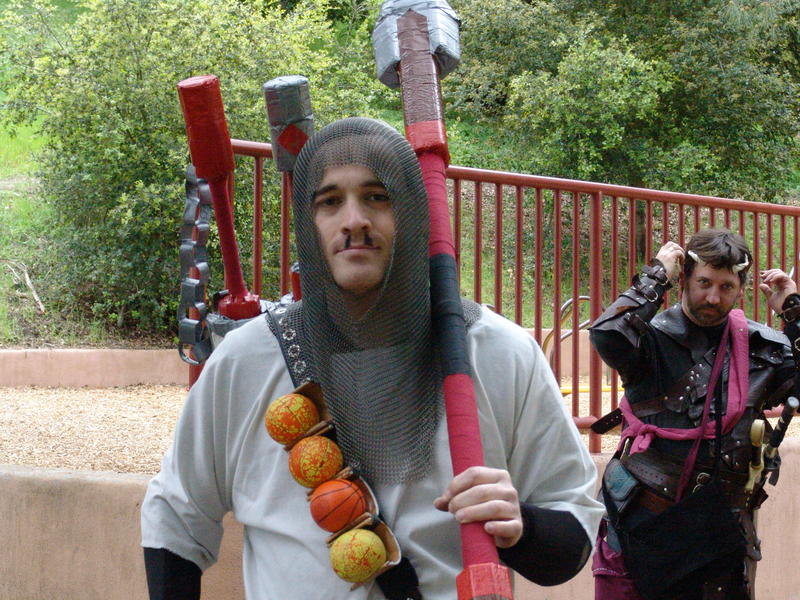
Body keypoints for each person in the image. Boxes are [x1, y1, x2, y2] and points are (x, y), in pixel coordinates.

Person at [140, 118, 604, 600]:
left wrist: (521, 526)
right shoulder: (246, 361)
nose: (354, 220)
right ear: (309, 224)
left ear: (412, 215)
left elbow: (573, 531)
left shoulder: (498, 353)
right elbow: (176, 515)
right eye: (330, 201)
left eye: (377, 197)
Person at [590, 228, 800, 600]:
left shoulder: (762, 348)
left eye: (726, 286)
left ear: (741, 289)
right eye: (704, 282)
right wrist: (656, 275)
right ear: (685, 278)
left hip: (720, 536)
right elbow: (606, 335)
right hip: (642, 526)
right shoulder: (649, 340)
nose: (713, 297)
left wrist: (793, 310)